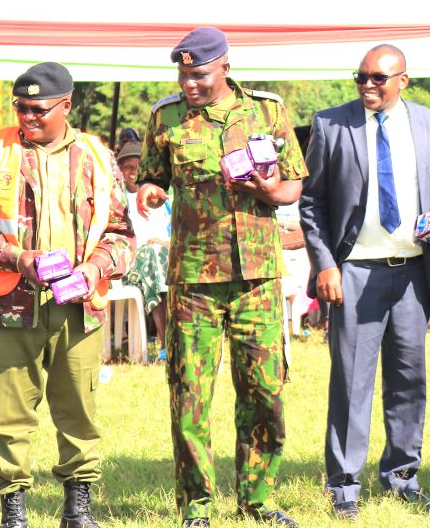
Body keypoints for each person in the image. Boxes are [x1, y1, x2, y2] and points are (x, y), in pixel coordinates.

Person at [136, 27, 306, 528]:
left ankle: (258, 499)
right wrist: (149, 191)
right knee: (190, 394)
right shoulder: (166, 118)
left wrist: (271, 190)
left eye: (200, 74)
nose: (189, 83)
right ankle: (197, 506)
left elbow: (294, 182)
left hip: (256, 277)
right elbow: (151, 176)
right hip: (193, 281)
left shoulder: (268, 111)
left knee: (265, 393)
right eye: (184, 75)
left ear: (225, 67)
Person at [0, 62, 133, 528]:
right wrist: (17, 257)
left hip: (78, 306)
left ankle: (78, 510)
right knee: (11, 416)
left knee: (78, 410)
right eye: (20, 108)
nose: (27, 117)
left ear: (66, 105)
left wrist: (95, 266)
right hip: (10, 307)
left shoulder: (96, 155)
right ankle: (14, 512)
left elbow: (121, 234)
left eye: (38, 109)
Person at [299, 44, 430, 520]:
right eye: (361, 77)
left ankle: (403, 479)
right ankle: (344, 487)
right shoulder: (331, 124)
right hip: (355, 273)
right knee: (351, 383)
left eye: (378, 79)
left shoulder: (429, 124)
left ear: (402, 81)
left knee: (409, 380)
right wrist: (325, 264)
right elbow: (312, 204)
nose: (368, 85)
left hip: (411, 272)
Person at [118, 140, 171, 356]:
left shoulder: (163, 198)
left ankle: (171, 341)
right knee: (152, 259)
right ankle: (165, 344)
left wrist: (166, 242)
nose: (132, 173)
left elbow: (177, 231)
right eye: (127, 167)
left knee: (158, 259)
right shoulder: (118, 199)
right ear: (120, 171)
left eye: (137, 166)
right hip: (131, 264)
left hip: (165, 258)